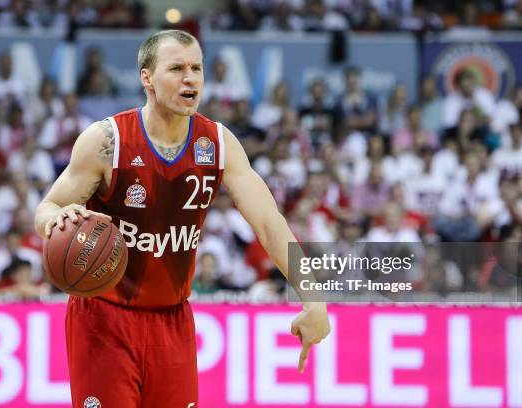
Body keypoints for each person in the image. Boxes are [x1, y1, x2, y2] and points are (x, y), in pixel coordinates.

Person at [34, 30, 330, 408]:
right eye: (176, 68)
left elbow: (269, 223)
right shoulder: (106, 141)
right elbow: (46, 209)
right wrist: (60, 217)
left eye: (197, 68)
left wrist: (314, 298)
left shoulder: (219, 143)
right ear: (147, 78)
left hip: (172, 320)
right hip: (103, 318)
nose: (190, 78)